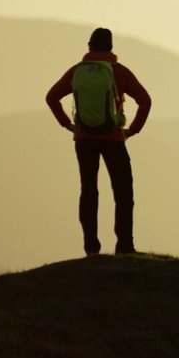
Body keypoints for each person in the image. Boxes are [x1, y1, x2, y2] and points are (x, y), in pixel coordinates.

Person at [45, 27, 152, 256]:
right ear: (111, 47)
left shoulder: (76, 71)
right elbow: (145, 101)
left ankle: (91, 248)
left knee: (89, 190)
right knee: (123, 192)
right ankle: (124, 246)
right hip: (113, 138)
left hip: (84, 139)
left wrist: (68, 124)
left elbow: (51, 97)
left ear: (89, 45)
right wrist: (132, 130)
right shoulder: (120, 72)